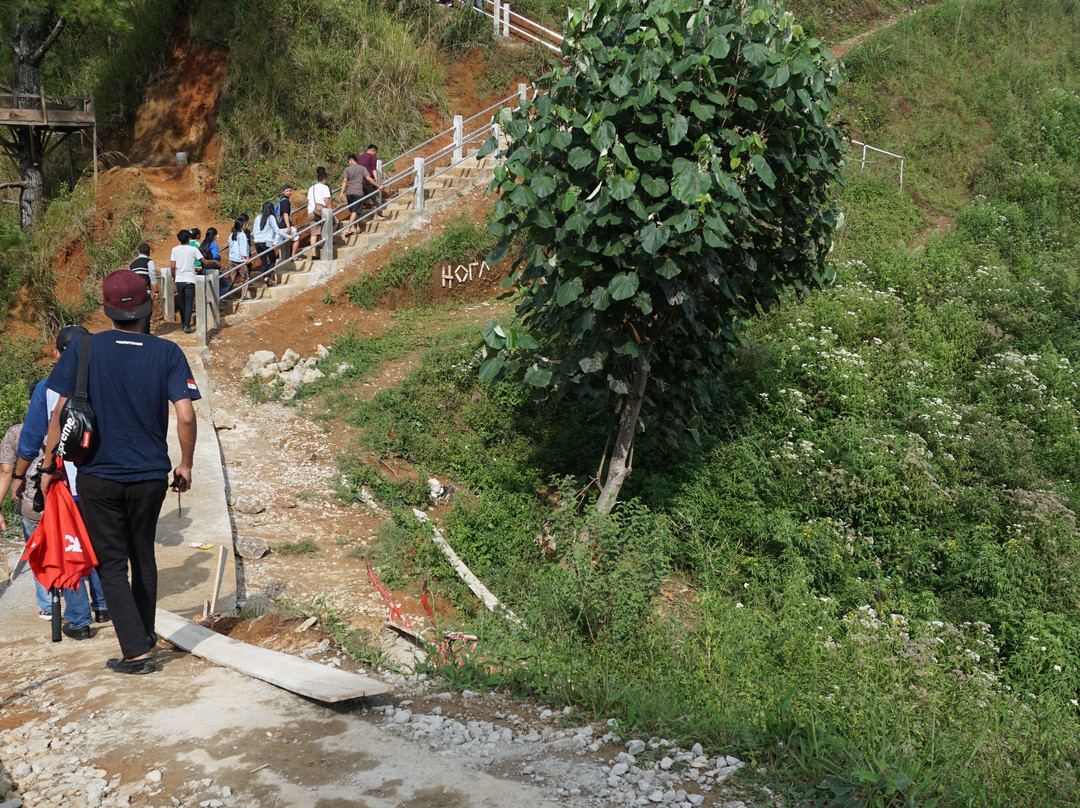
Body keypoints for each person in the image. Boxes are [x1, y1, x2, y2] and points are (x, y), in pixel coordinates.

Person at [41, 270, 199, 675]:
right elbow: (185, 413)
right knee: (142, 555)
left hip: (99, 476)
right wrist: (185, 463)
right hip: (149, 476)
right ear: (148, 304)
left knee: (111, 563)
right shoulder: (167, 353)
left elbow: (59, 412)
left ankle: (136, 653)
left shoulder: (85, 349)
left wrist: (49, 466)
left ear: (106, 308)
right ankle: (143, 635)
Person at [11, 326, 110, 634]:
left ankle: (79, 621)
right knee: (99, 545)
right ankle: (105, 606)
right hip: (104, 477)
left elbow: (30, 439)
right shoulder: (107, 380)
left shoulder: (47, 387)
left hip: (64, 484)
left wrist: (19, 476)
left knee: (69, 546)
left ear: (56, 354)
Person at [252, 202, 292, 288]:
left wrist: (257, 239)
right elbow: (277, 230)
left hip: (257, 242)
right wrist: (288, 237)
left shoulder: (258, 217)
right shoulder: (271, 217)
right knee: (273, 259)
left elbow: (254, 232)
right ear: (271, 209)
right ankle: (267, 277)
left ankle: (265, 280)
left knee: (263, 262)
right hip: (267, 242)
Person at [170, 230, 201, 334]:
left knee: (182, 302)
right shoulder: (193, 249)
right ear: (189, 238)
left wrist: (173, 276)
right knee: (189, 303)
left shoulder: (174, 250)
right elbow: (203, 260)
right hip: (190, 279)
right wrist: (213, 262)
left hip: (179, 279)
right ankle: (187, 325)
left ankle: (184, 322)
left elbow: (172, 266)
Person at [129, 243, 158, 335]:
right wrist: (156, 290)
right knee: (147, 313)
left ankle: (139, 332)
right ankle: (145, 334)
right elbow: (152, 274)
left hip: (134, 293)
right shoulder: (149, 262)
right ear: (149, 253)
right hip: (144, 291)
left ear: (138, 252)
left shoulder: (132, 264)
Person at [307, 167, 333, 257]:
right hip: (320, 212)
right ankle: (327, 242)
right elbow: (327, 201)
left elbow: (308, 201)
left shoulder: (311, 188)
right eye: (326, 180)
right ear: (324, 179)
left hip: (311, 212)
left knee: (314, 234)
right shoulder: (325, 187)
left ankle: (314, 254)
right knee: (335, 222)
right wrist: (330, 211)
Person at [337, 154, 366, 236]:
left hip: (349, 193)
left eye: (348, 161)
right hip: (358, 192)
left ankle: (357, 227)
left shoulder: (347, 169)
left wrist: (342, 192)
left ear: (351, 160)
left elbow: (344, 181)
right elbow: (368, 178)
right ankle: (348, 228)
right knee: (355, 211)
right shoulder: (362, 168)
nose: (348, 163)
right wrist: (377, 185)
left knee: (354, 211)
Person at [357, 144, 387, 220]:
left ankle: (359, 218)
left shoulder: (359, 157)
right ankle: (376, 216)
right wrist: (376, 180)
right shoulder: (372, 157)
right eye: (375, 152)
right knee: (375, 198)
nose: (375, 154)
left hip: (360, 181)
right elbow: (374, 169)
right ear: (373, 151)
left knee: (361, 200)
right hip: (369, 180)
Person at [227, 218, 252, 300]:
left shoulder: (232, 235)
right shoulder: (242, 235)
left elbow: (231, 246)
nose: (246, 226)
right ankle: (243, 296)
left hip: (232, 259)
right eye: (245, 225)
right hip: (240, 260)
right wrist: (244, 258)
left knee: (231, 277)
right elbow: (243, 247)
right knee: (246, 278)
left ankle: (226, 294)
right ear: (241, 226)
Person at [275, 185, 296, 262]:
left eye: (290, 191)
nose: (289, 192)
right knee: (296, 238)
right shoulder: (285, 202)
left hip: (279, 225)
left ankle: (269, 260)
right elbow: (285, 214)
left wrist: (291, 223)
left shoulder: (280, 200)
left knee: (276, 244)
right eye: (287, 191)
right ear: (282, 192)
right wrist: (288, 226)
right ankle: (293, 256)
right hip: (284, 226)